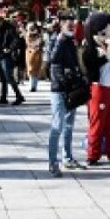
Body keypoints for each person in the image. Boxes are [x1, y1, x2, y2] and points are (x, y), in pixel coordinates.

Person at [81, 12, 110, 166]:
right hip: (99, 89)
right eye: (104, 33)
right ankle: (92, 155)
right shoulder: (90, 50)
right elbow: (90, 69)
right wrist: (105, 56)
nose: (109, 36)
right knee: (97, 124)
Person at [46, 17, 84, 177]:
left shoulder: (71, 41)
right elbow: (52, 60)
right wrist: (60, 40)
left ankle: (67, 158)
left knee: (68, 125)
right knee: (57, 125)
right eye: (68, 25)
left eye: (72, 25)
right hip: (58, 88)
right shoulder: (56, 40)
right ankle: (53, 162)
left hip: (70, 89)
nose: (71, 27)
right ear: (61, 26)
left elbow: (75, 63)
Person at [0, 17, 25, 105]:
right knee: (2, 78)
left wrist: (10, 49)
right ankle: (3, 97)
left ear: (2, 21)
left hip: (6, 56)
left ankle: (19, 96)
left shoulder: (9, 29)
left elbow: (17, 40)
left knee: (9, 77)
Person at [24, 22, 45, 92]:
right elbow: (28, 42)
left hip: (37, 52)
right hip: (30, 52)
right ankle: (32, 85)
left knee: (36, 69)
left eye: (32, 27)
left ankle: (34, 86)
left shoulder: (39, 35)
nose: (31, 29)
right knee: (31, 69)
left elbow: (41, 42)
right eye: (30, 28)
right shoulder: (28, 35)